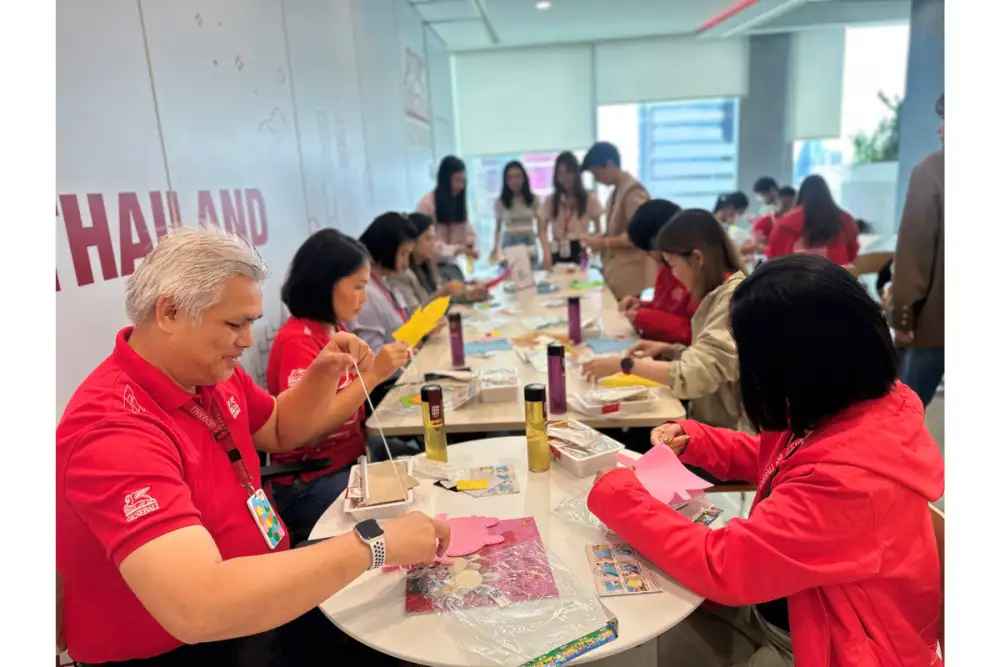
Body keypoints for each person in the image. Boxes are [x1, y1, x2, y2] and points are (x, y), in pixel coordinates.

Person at [55, 227, 450, 666]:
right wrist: (373, 544)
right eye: (234, 324)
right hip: (190, 646)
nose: (246, 340)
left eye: (250, 323)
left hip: (261, 595)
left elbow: (278, 428)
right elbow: (198, 607)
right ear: (169, 312)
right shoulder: (112, 429)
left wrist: (322, 373)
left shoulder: (208, 372)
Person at [588, 255, 944, 667]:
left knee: (636, 633)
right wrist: (701, 441)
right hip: (800, 605)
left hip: (827, 644)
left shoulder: (849, 480)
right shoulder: (855, 404)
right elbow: (785, 460)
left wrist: (621, 496)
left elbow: (725, 566)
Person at [267, 229, 412, 543]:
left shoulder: (335, 330)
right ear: (326, 283)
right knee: (402, 519)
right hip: (310, 481)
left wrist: (380, 367)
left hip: (351, 466)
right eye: (358, 286)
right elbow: (308, 431)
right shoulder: (297, 341)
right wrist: (374, 374)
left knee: (419, 472)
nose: (364, 297)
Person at [583, 209, 746, 429]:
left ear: (697, 259)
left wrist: (624, 365)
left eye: (673, 265)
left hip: (726, 435)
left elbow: (694, 375)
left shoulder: (732, 300)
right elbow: (713, 360)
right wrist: (671, 350)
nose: (673, 274)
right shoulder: (719, 294)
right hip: (709, 425)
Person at [889, 94, 945, 408]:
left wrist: (902, 315)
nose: (940, 128)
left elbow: (916, 250)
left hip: (936, 321)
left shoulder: (933, 171)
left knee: (903, 413)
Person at [579, 141, 656, 300]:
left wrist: (603, 243)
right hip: (618, 276)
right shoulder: (616, 191)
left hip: (633, 277)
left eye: (597, 174)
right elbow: (617, 231)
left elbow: (640, 235)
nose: (597, 179)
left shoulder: (633, 191)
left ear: (609, 165)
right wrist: (599, 238)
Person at [616, 199, 693, 345]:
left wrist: (645, 317)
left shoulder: (699, 274)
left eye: (650, 249)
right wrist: (642, 306)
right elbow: (666, 309)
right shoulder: (666, 267)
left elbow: (693, 334)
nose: (650, 255)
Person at [346, 212, 418, 359]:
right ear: (387, 248)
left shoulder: (384, 281)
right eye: (403, 254)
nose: (406, 264)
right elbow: (374, 356)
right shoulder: (366, 291)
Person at [390, 213, 487, 311]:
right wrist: (441, 294)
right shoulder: (402, 274)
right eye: (428, 239)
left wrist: (470, 294)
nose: (433, 244)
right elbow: (412, 314)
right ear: (412, 242)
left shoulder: (427, 266)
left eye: (434, 239)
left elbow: (448, 295)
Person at [766, 174, 859, 265]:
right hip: (836, 273)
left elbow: (772, 256)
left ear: (801, 194)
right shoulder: (845, 219)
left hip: (793, 273)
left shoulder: (785, 222)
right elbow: (852, 255)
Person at [539, 151, 603, 268]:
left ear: (576, 173)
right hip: (556, 244)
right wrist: (546, 251)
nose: (565, 177)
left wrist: (591, 244)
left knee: (580, 277)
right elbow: (542, 228)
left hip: (580, 247)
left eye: (569, 172)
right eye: (560, 173)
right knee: (556, 277)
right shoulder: (552, 199)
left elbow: (599, 230)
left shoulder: (589, 198)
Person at [416, 155, 479, 265]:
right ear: (445, 180)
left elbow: (468, 233)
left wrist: (471, 245)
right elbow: (425, 243)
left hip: (451, 264)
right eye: (457, 180)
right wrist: (456, 249)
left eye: (463, 182)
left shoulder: (456, 204)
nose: (460, 186)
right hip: (430, 265)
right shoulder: (427, 204)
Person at [491, 160, 543, 265]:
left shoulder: (533, 199)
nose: (514, 181)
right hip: (509, 243)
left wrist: (544, 248)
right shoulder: (500, 202)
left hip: (529, 242)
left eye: (518, 176)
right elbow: (497, 229)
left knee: (532, 273)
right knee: (510, 274)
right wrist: (495, 248)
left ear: (524, 178)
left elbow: (541, 226)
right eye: (510, 178)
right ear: (506, 181)